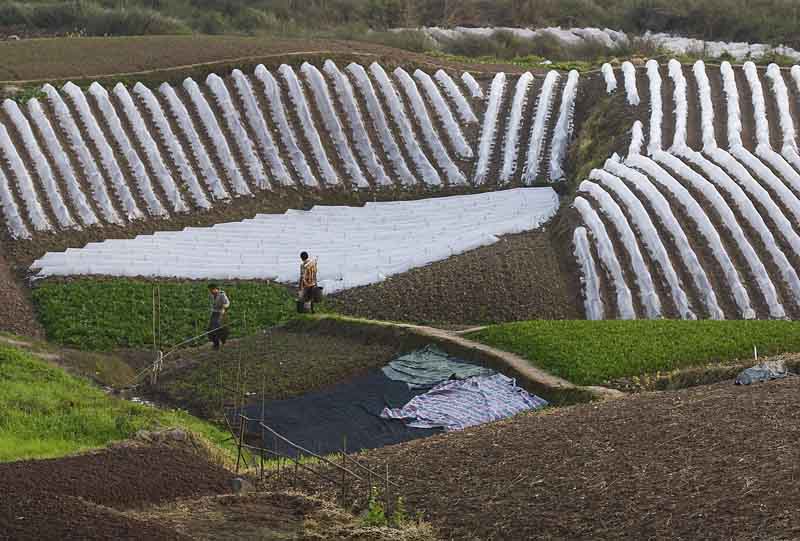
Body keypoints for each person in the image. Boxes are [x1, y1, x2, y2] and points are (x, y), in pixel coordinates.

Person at [208, 284, 230, 350]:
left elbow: (227, 303)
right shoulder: (211, 295)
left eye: (212, 289)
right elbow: (213, 304)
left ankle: (223, 341)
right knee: (211, 329)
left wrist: (223, 309)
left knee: (220, 328)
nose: (210, 291)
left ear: (216, 289)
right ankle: (216, 344)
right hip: (214, 312)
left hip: (221, 313)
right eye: (210, 290)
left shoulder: (222, 294)